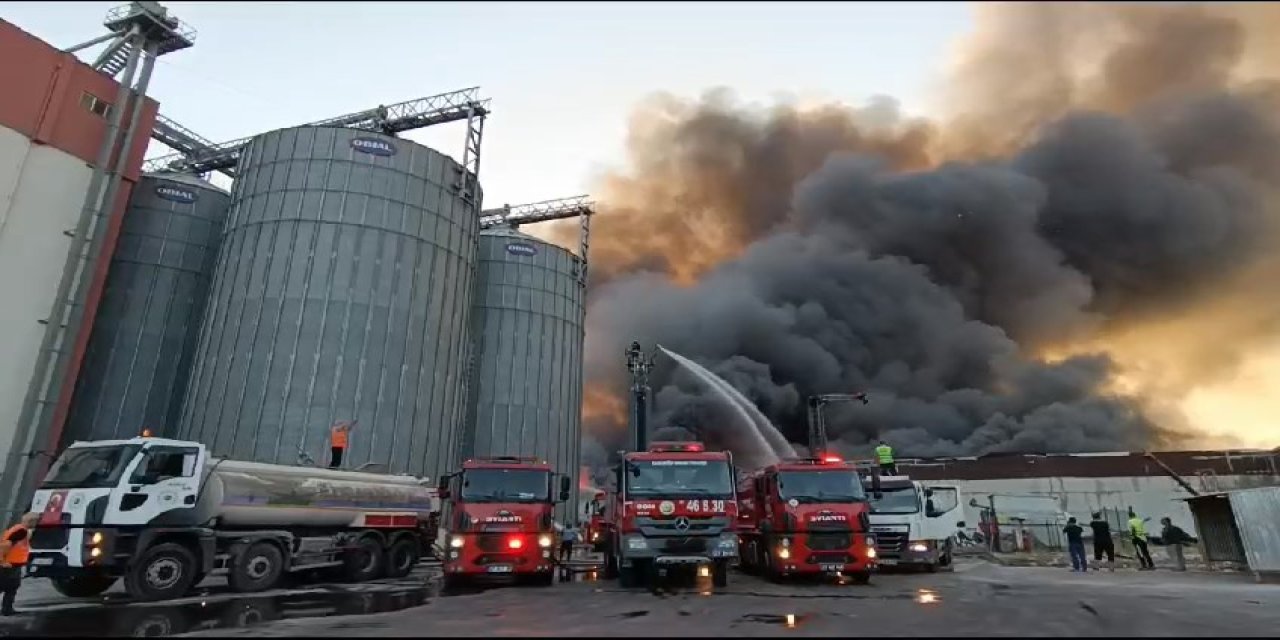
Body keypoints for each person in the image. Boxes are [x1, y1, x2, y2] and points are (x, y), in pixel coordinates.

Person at [0, 513, 38, 616]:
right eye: (35, 521)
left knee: (12, 586)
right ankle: (7, 609)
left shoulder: (20, 529)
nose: (36, 524)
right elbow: (6, 545)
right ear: (31, 521)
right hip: (9, 565)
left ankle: (7, 609)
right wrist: (2, 561)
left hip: (13, 564)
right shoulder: (20, 531)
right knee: (7, 586)